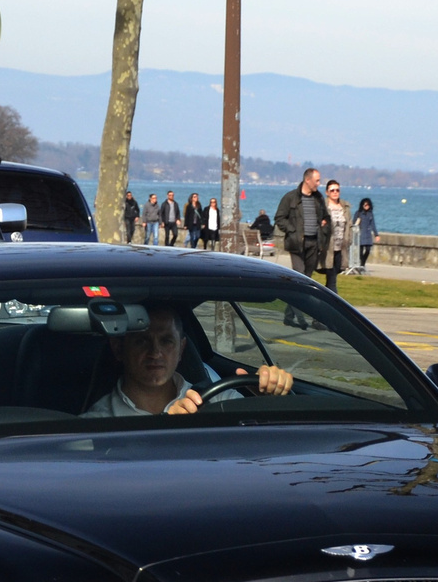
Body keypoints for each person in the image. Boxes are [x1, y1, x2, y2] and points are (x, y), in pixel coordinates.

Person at [82, 306, 294, 417]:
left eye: (166, 342)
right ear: (119, 349)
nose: (155, 353)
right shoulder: (98, 424)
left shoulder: (217, 401)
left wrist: (270, 401)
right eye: (141, 341)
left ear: (181, 349)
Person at [274, 168, 332, 279]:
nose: (319, 184)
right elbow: (279, 218)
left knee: (308, 276)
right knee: (299, 273)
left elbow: (326, 217)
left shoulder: (318, 198)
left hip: (314, 243)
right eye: (317, 181)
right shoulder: (290, 198)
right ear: (307, 180)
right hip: (297, 242)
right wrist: (292, 230)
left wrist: (324, 226)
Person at [321, 180, 351, 291]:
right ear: (327, 192)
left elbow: (349, 225)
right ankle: (334, 301)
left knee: (333, 276)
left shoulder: (345, 207)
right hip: (328, 248)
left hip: (340, 248)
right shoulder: (323, 206)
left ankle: (325, 298)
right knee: (332, 278)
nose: (335, 192)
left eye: (337, 190)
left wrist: (349, 240)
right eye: (332, 190)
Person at [354, 197, 377, 271]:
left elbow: (373, 224)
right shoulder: (358, 213)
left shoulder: (370, 214)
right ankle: (361, 265)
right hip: (360, 234)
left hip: (367, 234)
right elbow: (354, 223)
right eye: (365, 205)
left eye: (368, 205)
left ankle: (362, 264)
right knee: (360, 251)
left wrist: (376, 234)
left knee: (367, 250)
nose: (366, 206)